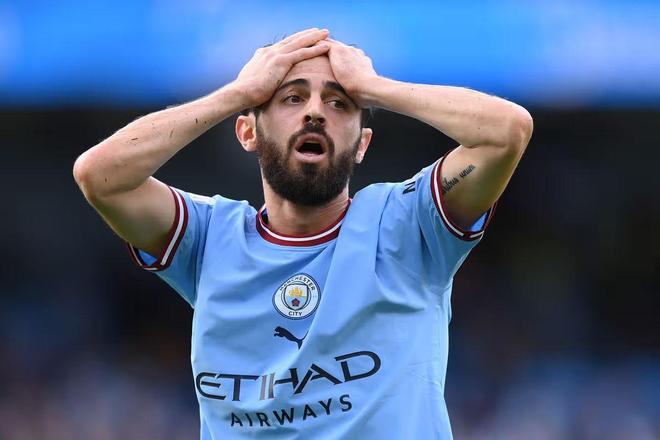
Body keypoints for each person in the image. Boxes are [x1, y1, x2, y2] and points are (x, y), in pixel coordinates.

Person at [73, 28, 533, 439]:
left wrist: (374, 87)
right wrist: (237, 93)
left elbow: (507, 131)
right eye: (291, 98)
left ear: (362, 144)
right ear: (247, 133)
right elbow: (101, 176)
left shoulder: (407, 225)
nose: (315, 112)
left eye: (339, 103)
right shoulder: (209, 239)